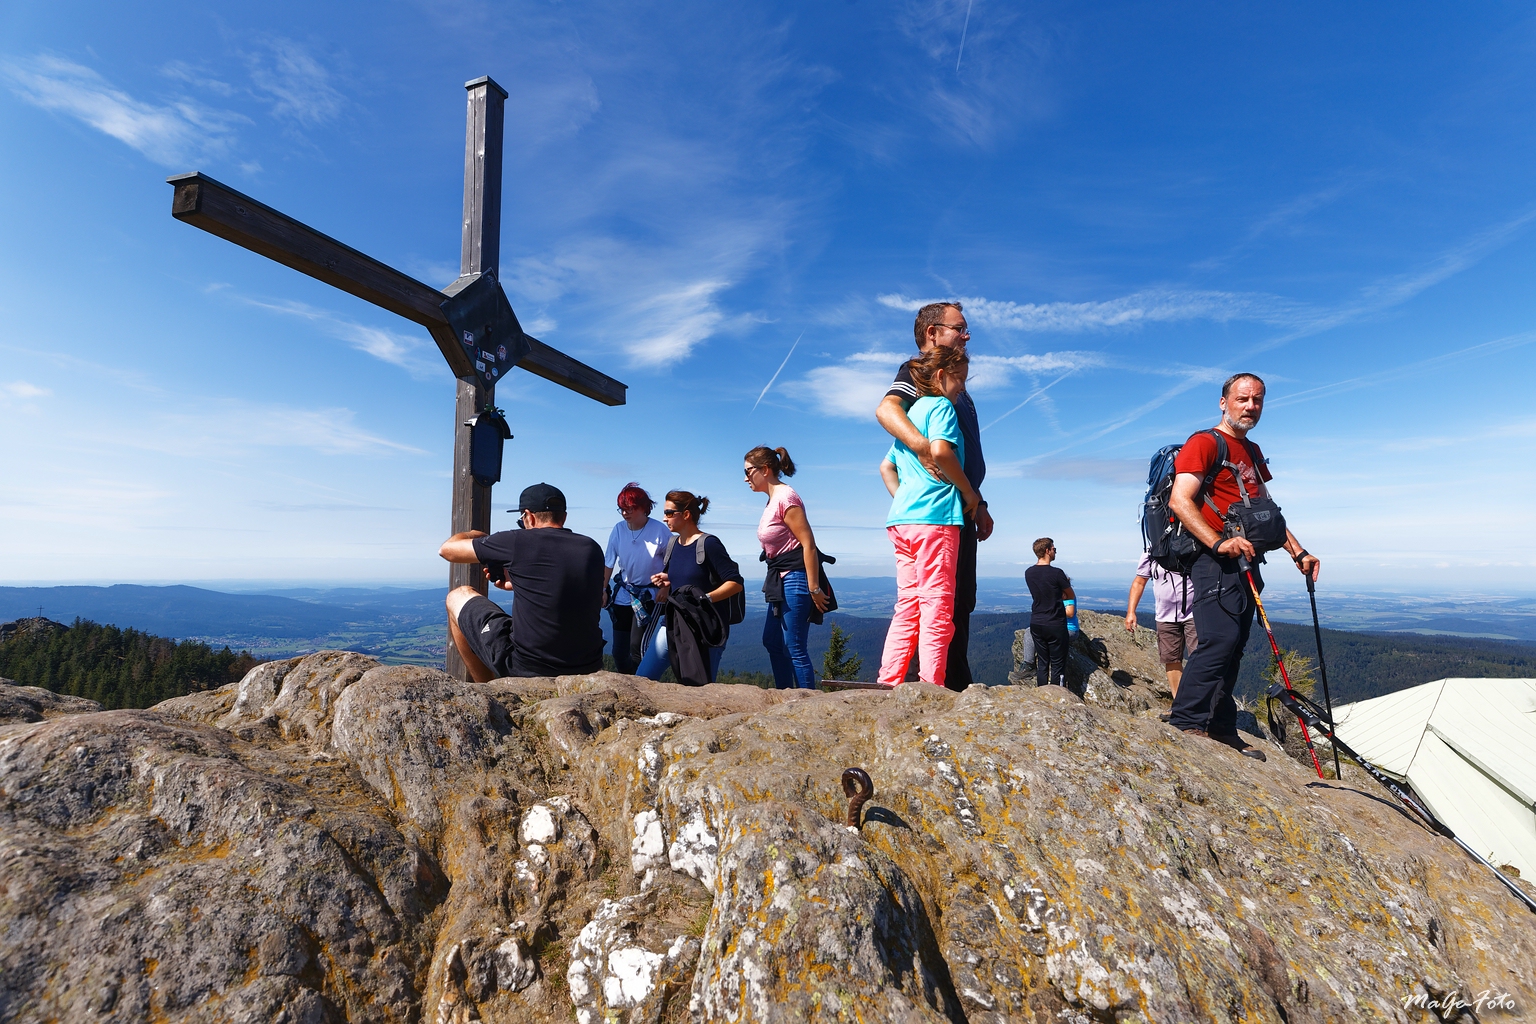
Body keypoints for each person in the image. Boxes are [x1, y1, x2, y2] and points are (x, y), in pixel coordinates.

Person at [1166, 373, 1321, 761]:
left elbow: (1267, 511)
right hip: (1214, 559)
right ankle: (1186, 723)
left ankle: (1219, 726)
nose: (1250, 406)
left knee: (1233, 645)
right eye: (1242, 398)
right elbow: (1179, 500)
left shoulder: (1251, 450)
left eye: (1258, 400)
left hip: (1247, 560)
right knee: (1217, 640)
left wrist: (1297, 552)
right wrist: (1219, 542)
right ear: (1223, 402)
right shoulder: (1204, 443)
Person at [876, 302, 993, 691]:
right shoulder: (920, 376)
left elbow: (888, 465)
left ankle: (903, 682)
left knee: (941, 603)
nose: (967, 334)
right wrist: (927, 451)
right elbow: (886, 409)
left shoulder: (947, 390)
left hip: (935, 511)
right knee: (941, 605)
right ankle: (930, 686)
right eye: (959, 327)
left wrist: (978, 502)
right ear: (932, 333)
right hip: (941, 515)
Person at [439, 483, 605, 681]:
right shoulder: (592, 548)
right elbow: (571, 591)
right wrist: (517, 582)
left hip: (528, 666)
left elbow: (447, 550)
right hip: (588, 664)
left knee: (457, 596)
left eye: (522, 519)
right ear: (564, 517)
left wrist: (477, 535)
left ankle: (486, 690)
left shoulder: (518, 541)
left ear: (529, 516)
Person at [635, 491, 746, 685]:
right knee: (642, 679)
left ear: (686, 515)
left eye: (669, 513)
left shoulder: (709, 544)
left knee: (701, 689)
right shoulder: (673, 544)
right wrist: (667, 579)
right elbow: (692, 575)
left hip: (705, 630)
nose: (664, 518)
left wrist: (705, 599)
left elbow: (735, 583)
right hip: (674, 623)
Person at [745, 446, 830, 689]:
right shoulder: (773, 500)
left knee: (794, 646)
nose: (745, 478)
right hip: (781, 579)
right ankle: (784, 697)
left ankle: (808, 703)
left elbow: (808, 544)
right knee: (772, 640)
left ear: (765, 469)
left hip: (796, 578)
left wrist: (814, 587)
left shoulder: (786, 498)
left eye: (748, 471)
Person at [601, 483, 670, 674]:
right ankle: (627, 683)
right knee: (618, 651)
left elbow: (673, 562)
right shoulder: (619, 529)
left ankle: (641, 687)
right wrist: (603, 589)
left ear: (643, 508)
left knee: (637, 648)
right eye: (621, 509)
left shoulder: (660, 531)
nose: (624, 513)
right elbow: (609, 562)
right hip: (625, 592)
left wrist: (666, 588)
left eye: (629, 508)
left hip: (650, 595)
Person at [1125, 552, 1197, 700]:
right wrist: (1131, 611)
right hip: (1165, 615)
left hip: (1195, 613)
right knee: (1171, 660)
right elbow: (1139, 582)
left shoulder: (1192, 546)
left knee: (1199, 658)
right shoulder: (1152, 552)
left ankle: (1200, 704)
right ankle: (1180, 704)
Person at [1026, 538, 1077, 690]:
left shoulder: (1029, 573)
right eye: (1054, 548)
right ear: (1047, 550)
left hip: (1036, 622)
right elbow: (1070, 595)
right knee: (1057, 664)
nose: (1055, 551)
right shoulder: (1057, 573)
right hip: (1055, 623)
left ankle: (1042, 695)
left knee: (1042, 662)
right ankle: (1057, 696)